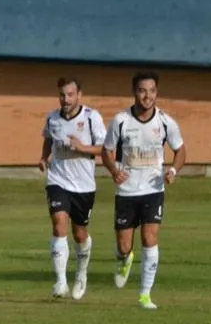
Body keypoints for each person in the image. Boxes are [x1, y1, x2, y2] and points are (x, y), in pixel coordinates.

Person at [102, 71, 186, 310]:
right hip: (126, 192)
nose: (146, 95)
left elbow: (180, 150)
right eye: (142, 90)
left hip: (153, 189)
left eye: (151, 91)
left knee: (150, 238)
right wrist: (114, 171)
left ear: (156, 93)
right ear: (134, 92)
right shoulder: (120, 121)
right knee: (124, 244)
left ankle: (145, 295)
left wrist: (173, 171)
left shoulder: (166, 122)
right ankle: (124, 258)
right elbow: (106, 151)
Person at [38, 77, 106, 300]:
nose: (65, 99)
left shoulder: (91, 117)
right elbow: (48, 139)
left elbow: (106, 149)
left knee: (80, 234)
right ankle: (60, 281)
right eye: (62, 95)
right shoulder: (52, 118)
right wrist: (43, 157)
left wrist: (82, 147)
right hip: (58, 181)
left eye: (70, 94)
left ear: (79, 95)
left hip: (84, 186)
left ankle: (81, 275)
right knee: (59, 224)